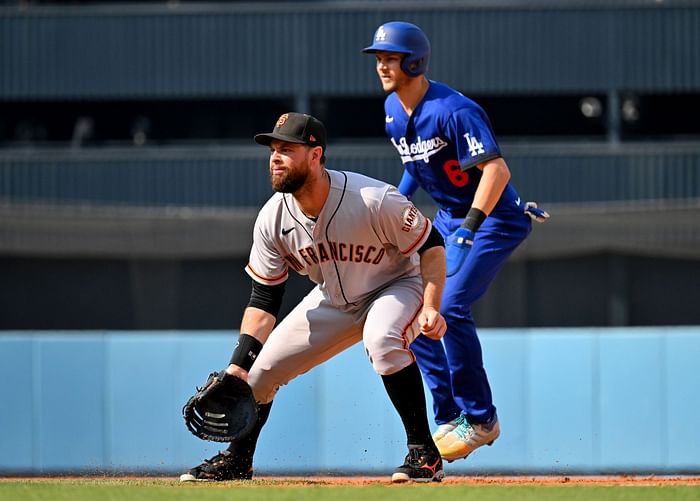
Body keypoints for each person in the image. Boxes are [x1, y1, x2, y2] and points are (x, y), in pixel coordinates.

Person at [180, 112, 449, 483]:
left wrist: (431, 305)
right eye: (273, 149)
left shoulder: (371, 199)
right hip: (334, 299)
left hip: (397, 285)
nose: (275, 157)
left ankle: (424, 453)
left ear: (315, 155)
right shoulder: (272, 219)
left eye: (286, 149)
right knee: (259, 375)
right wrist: (237, 366)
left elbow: (432, 245)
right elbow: (264, 299)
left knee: (383, 340)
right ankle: (237, 461)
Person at [362, 22, 549, 463]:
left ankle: (481, 418)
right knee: (415, 311)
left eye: (390, 57)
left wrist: (468, 227)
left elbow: (496, 171)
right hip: (448, 218)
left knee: (449, 307)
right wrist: (396, 204)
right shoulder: (392, 109)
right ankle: (449, 415)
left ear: (414, 60)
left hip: (492, 219)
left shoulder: (453, 109)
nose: (383, 66)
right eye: (379, 59)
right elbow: (417, 164)